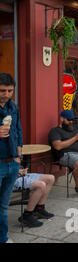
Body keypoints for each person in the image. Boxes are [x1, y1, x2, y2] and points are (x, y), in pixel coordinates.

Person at [0, 73, 23, 243]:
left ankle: (3, 237)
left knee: (3, 206)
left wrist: (19, 157)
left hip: (12, 162)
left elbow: (18, 131)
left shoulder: (13, 107)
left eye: (9, 90)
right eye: (2, 90)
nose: (6, 94)